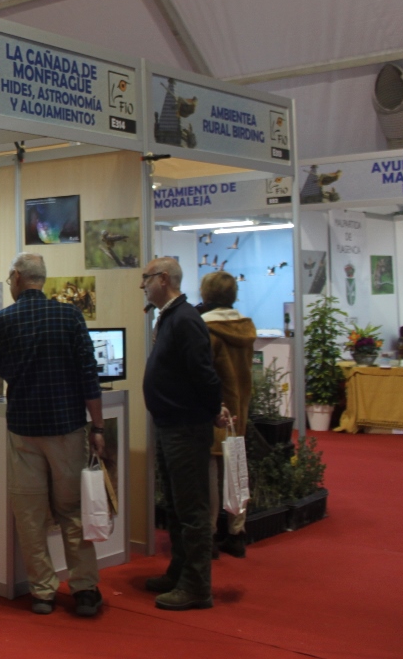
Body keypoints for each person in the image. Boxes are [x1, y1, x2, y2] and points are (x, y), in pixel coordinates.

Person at [0, 253, 105, 617]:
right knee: (72, 511)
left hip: (23, 429)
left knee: (30, 515)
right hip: (66, 428)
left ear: (17, 277)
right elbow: (89, 374)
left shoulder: (2, 320)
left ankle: (42, 591)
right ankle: (84, 589)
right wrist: (98, 426)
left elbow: (1, 369)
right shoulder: (70, 316)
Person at [140, 257, 230, 610]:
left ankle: (196, 585)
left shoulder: (185, 319)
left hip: (185, 427)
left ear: (163, 279)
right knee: (176, 506)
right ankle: (179, 572)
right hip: (170, 424)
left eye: (146, 278)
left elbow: (203, 373)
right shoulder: (171, 317)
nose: (143, 285)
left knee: (192, 508)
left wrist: (213, 409)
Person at [199, 271, 256, 558]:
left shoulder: (205, 328)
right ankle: (237, 532)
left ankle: (208, 534)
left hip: (215, 408)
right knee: (235, 468)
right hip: (239, 405)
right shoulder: (246, 326)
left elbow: (203, 372)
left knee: (210, 470)